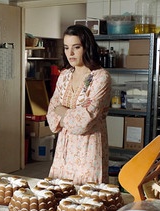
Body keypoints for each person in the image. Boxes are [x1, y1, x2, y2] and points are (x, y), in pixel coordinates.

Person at [46, 24, 111, 185]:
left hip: (88, 147)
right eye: (67, 48)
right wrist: (70, 113)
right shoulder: (64, 76)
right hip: (64, 147)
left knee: (87, 198)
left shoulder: (100, 77)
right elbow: (51, 113)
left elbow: (84, 121)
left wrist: (63, 112)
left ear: (87, 47)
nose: (71, 53)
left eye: (76, 47)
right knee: (60, 193)